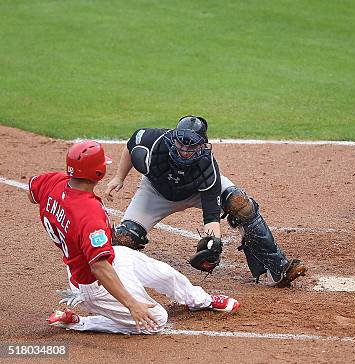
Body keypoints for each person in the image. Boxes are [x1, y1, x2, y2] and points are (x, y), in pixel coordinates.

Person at [29, 140, 239, 335]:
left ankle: (200, 300)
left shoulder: (53, 182)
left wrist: (59, 211)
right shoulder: (88, 214)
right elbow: (99, 268)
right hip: (93, 283)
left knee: (164, 274)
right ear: (98, 171)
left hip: (109, 258)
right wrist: (132, 305)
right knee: (155, 320)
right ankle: (81, 322)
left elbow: (32, 191)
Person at [104, 115, 307, 287]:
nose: (184, 150)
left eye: (191, 147)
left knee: (240, 204)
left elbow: (211, 214)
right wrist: (119, 177)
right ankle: (112, 281)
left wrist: (213, 245)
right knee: (124, 239)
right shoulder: (153, 142)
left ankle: (277, 268)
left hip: (196, 192)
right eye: (181, 143)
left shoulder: (207, 167)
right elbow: (132, 146)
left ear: (202, 146)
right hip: (154, 193)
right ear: (173, 138)